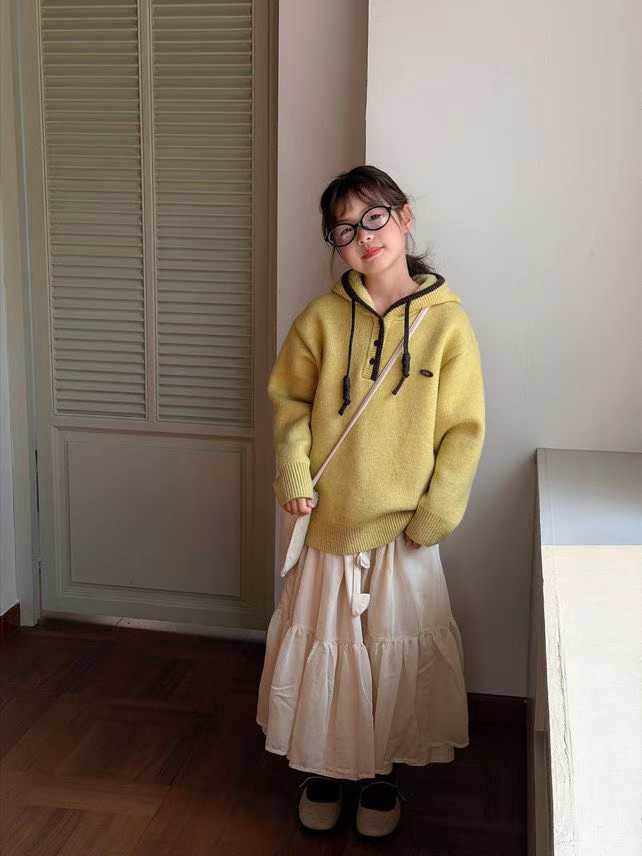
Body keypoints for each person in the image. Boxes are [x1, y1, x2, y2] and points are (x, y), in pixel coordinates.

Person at [255, 164, 486, 838]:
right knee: (328, 654)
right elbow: (289, 404)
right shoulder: (320, 320)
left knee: (392, 657)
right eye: (345, 229)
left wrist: (437, 513)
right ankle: (324, 769)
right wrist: (294, 476)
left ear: (404, 217)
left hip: (405, 532)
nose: (363, 237)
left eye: (374, 218)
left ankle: (382, 774)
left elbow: (464, 430)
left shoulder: (448, 326)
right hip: (328, 523)